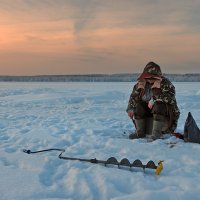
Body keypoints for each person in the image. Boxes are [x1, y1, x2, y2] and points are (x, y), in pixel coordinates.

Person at [126, 62, 180, 140]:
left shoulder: (166, 84)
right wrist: (130, 109)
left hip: (166, 118)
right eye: (148, 77)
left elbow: (170, 98)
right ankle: (140, 133)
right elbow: (133, 97)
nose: (150, 80)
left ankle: (156, 134)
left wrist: (154, 99)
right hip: (148, 117)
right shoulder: (140, 85)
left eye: (152, 78)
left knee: (159, 105)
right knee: (139, 106)